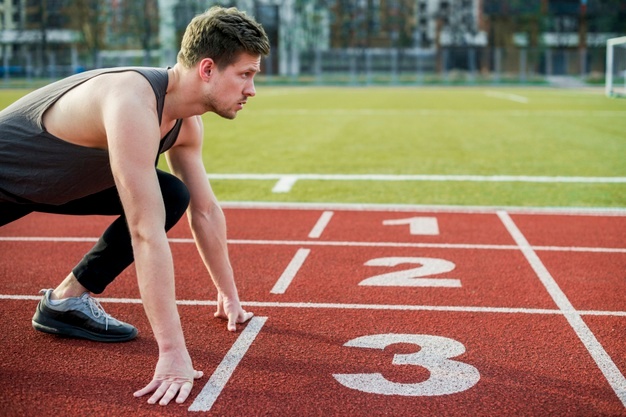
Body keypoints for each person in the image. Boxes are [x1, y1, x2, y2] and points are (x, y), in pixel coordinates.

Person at [0, 6, 270, 406]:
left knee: (172, 194)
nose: (251, 89)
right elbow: (146, 230)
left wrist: (229, 296)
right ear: (208, 69)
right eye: (245, 75)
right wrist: (173, 353)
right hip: (9, 182)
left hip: (51, 186)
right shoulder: (132, 100)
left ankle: (66, 302)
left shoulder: (186, 123)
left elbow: (206, 211)